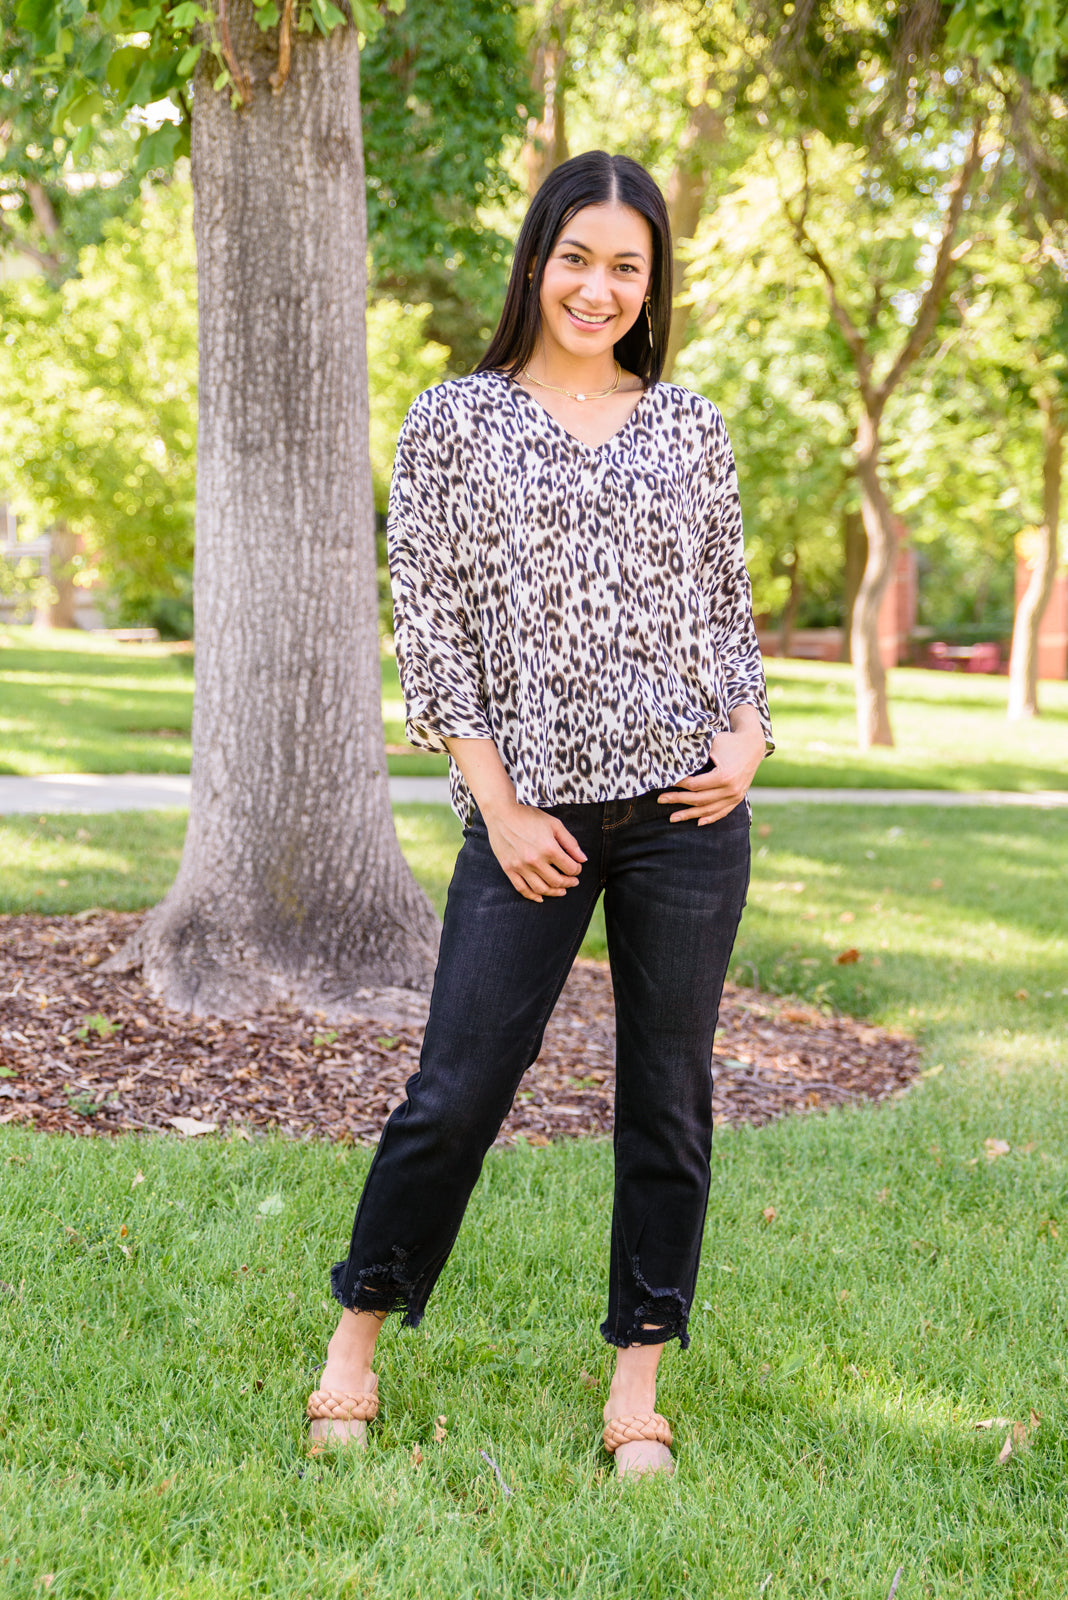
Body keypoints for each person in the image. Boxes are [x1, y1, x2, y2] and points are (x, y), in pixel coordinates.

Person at [306, 150, 773, 1477]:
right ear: (536, 259)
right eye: (579, 257)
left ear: (650, 282)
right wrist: (500, 807)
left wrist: (746, 738)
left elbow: (722, 609)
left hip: (690, 813)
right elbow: (433, 629)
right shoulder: (456, 419)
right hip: (535, 820)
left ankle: (637, 1384)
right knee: (456, 1089)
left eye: (627, 265)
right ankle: (355, 1341)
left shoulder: (690, 426)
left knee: (667, 1100)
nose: (599, 286)